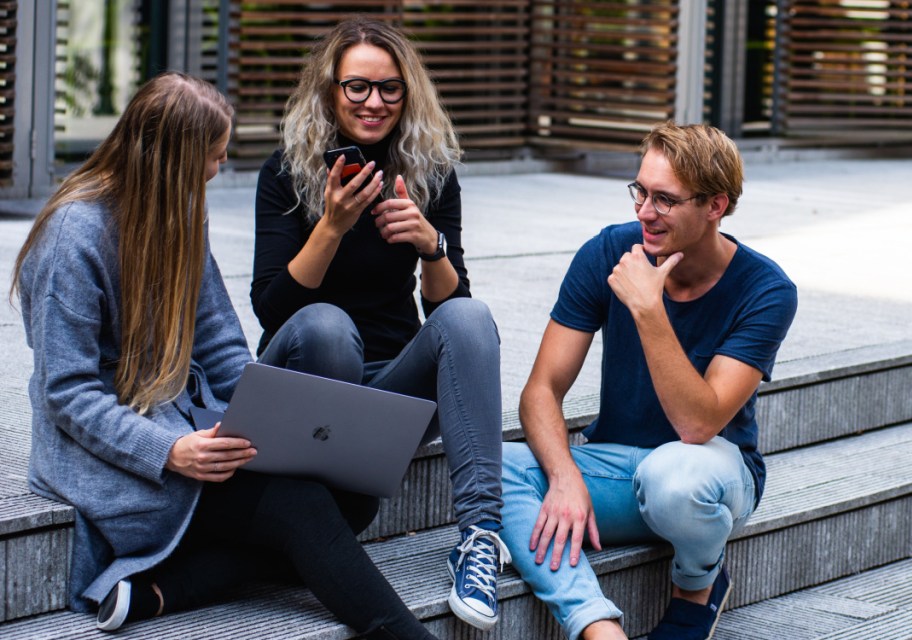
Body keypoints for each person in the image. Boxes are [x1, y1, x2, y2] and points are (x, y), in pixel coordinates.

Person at [11, 72, 437, 639]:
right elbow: (67, 394)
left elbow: (218, 343)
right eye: (214, 155)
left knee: (352, 500)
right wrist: (169, 451)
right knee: (302, 508)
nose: (221, 165)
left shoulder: (181, 210)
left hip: (186, 423)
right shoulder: (74, 235)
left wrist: (274, 416)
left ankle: (161, 590)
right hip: (111, 452)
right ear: (172, 158)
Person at [249, 16, 507, 631]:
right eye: (356, 87)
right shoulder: (285, 173)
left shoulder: (430, 171)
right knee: (327, 327)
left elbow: (451, 314)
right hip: (308, 378)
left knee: (471, 318)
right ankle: (316, 520)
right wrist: (331, 226)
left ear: (408, 92)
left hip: (390, 392)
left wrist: (430, 246)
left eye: (390, 88)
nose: (374, 103)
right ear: (330, 90)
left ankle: (480, 540)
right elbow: (272, 309)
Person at [500, 123, 798, 640]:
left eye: (664, 199)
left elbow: (697, 424)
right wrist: (565, 476)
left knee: (674, 477)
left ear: (715, 206)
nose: (643, 212)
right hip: (617, 463)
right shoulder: (609, 251)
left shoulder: (766, 289)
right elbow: (541, 389)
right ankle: (595, 625)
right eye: (640, 191)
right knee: (494, 467)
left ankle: (695, 589)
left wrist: (648, 309)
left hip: (710, 475)